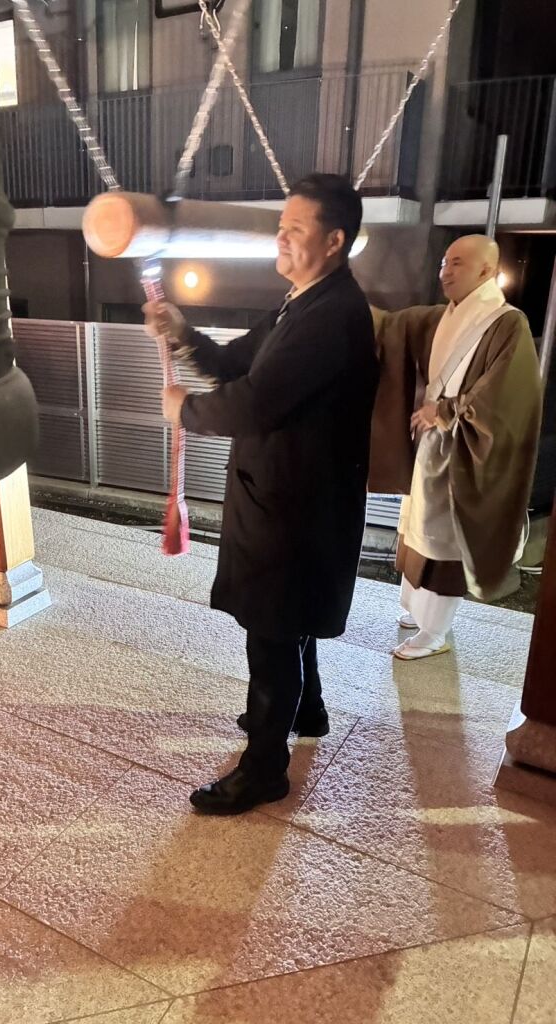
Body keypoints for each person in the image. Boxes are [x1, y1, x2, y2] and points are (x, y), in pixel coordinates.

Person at [144, 173, 379, 815]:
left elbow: (254, 402)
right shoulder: (301, 303)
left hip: (296, 505)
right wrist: (182, 332)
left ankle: (264, 768)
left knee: (272, 631)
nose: (280, 237)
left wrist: (184, 409)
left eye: (294, 228)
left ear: (334, 240)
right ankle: (309, 710)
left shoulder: (331, 316)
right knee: (289, 613)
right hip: (288, 494)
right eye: (281, 226)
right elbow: (235, 363)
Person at [370, 235, 542, 661]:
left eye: (457, 263)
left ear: (487, 270)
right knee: (418, 528)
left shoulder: (508, 323)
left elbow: (505, 394)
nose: (445, 272)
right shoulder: (441, 316)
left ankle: (435, 631)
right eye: (444, 263)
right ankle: (418, 611)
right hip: (432, 446)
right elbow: (392, 327)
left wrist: (446, 410)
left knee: (444, 541)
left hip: (463, 450)